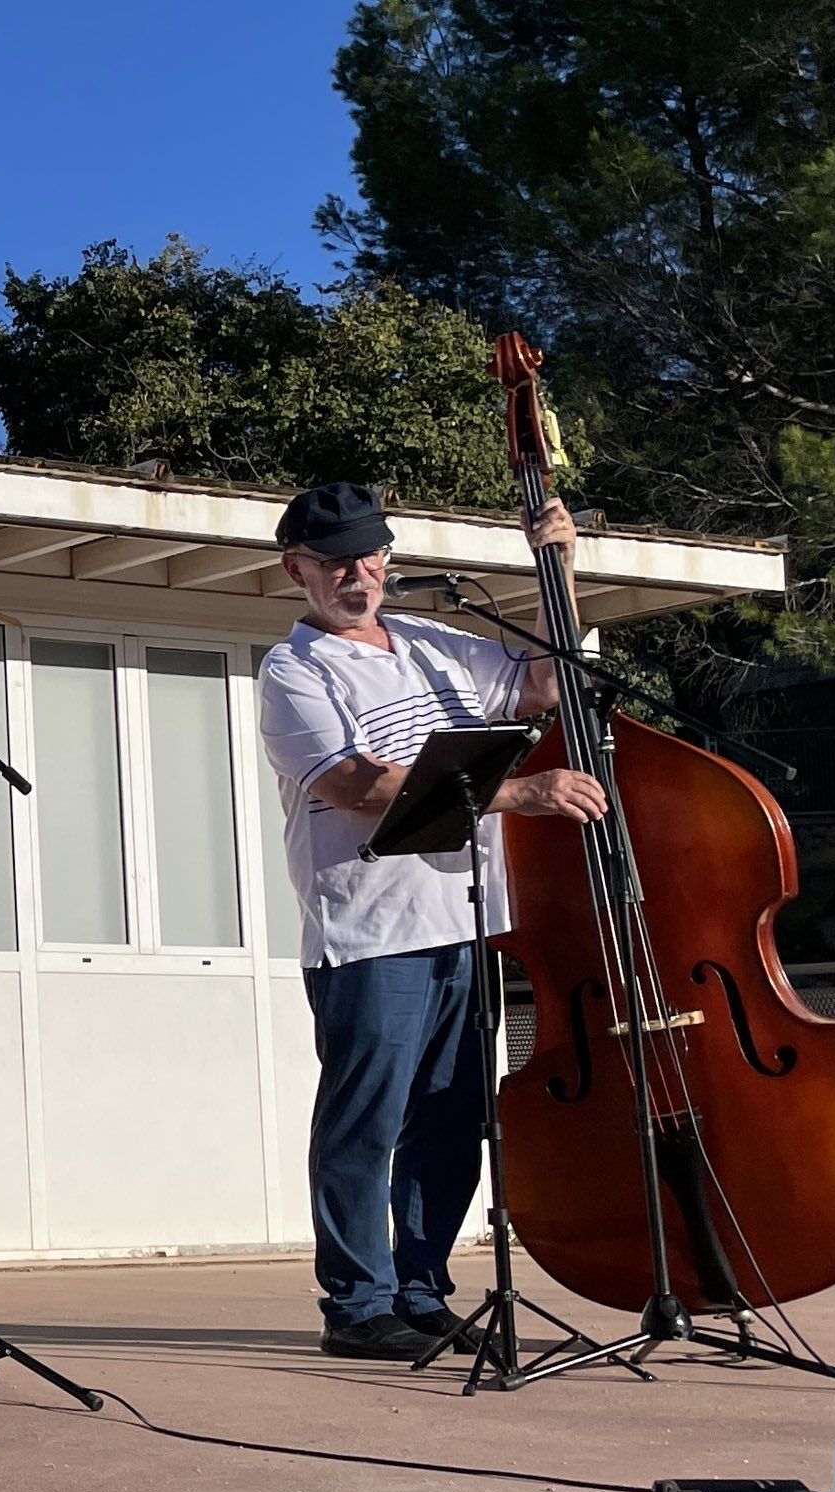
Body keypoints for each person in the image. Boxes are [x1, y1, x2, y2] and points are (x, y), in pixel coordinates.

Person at [257, 481, 607, 1360]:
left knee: (452, 1119)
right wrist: (521, 791)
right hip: (372, 930)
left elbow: (540, 684)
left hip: (468, 917)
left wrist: (557, 565)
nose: (358, 574)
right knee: (365, 1121)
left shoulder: (430, 641)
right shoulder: (294, 671)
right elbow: (355, 785)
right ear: (296, 569)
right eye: (335, 561)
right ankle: (356, 1304)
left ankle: (420, 1290)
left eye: (370, 555)